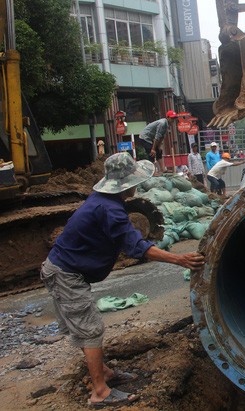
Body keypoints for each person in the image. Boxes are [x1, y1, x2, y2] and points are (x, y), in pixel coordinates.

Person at [40, 152, 205, 408]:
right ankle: (100, 392)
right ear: (125, 183)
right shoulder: (111, 210)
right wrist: (180, 260)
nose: (137, 186)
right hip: (65, 273)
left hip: (64, 269)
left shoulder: (103, 201)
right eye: (134, 181)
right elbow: (138, 247)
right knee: (91, 329)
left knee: (86, 327)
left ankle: (102, 372)